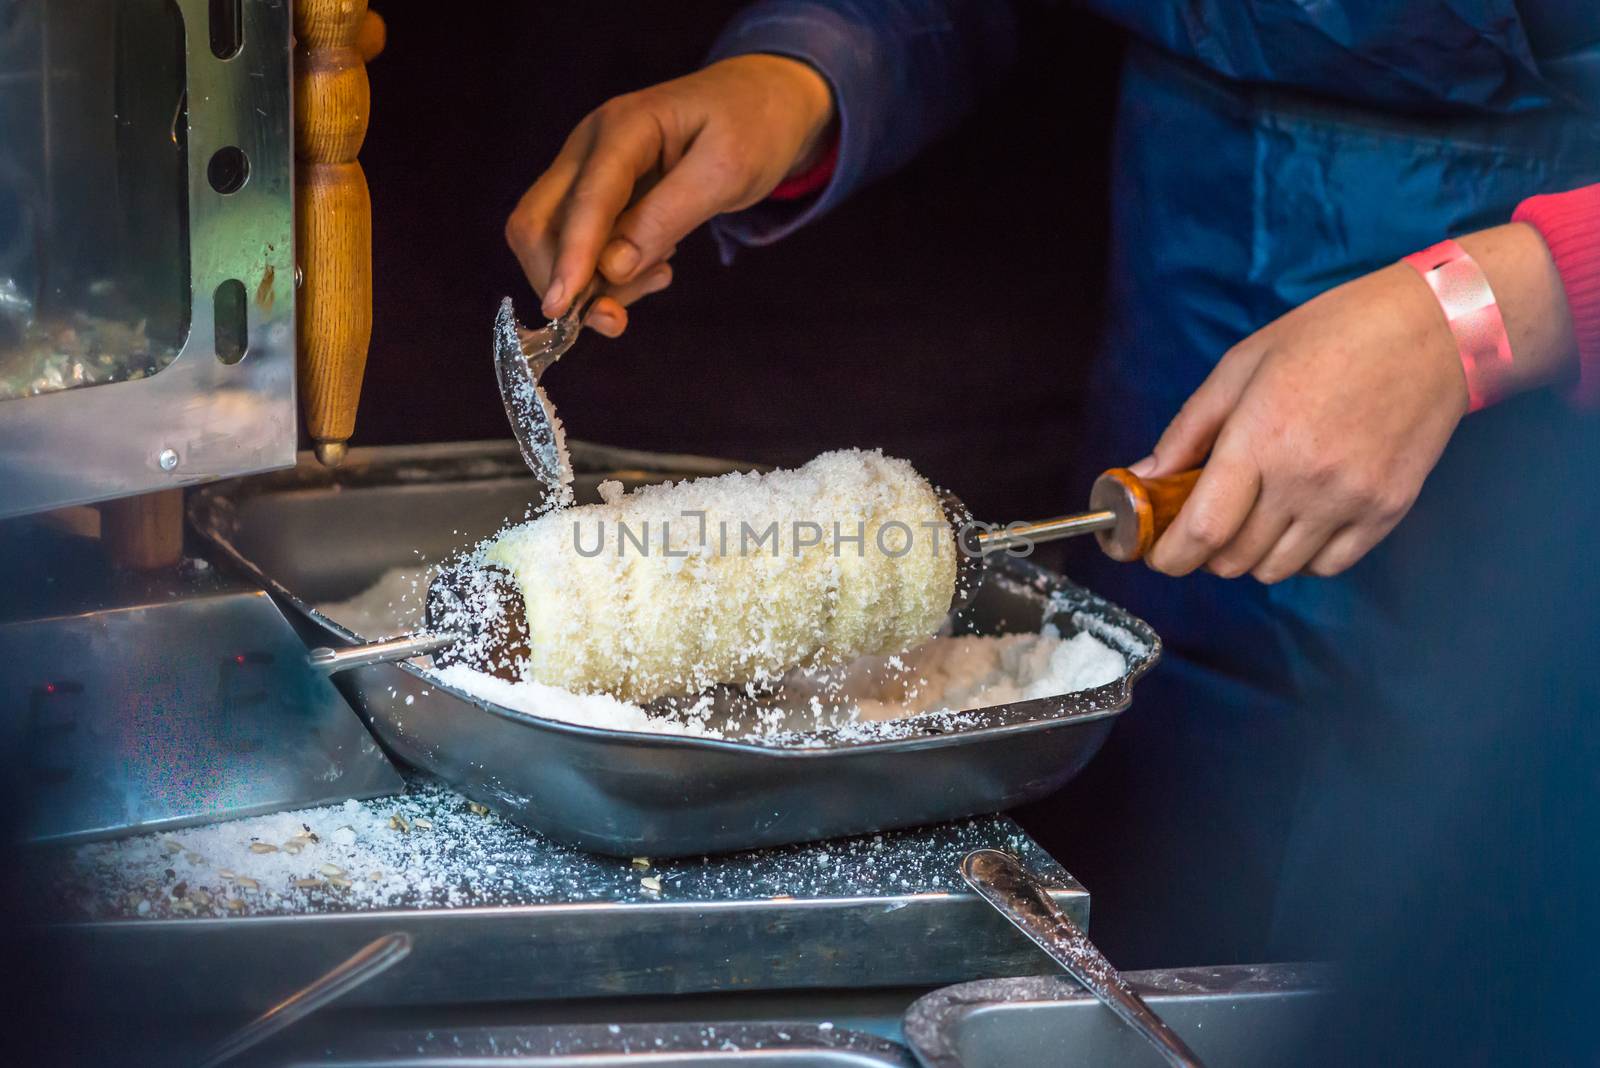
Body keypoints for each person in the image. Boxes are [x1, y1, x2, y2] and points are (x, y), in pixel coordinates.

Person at [504, 1, 1600, 973]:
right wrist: (807, 67)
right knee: (1179, 909)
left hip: (1544, 449)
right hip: (1196, 284)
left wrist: (1497, 308)